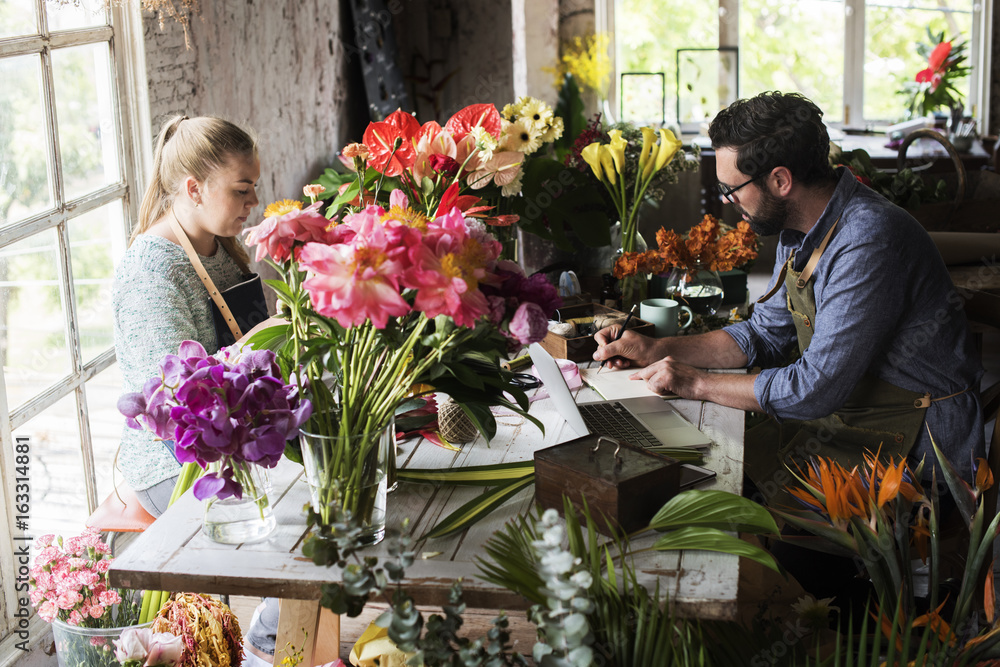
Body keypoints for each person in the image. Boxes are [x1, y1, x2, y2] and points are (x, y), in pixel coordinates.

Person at [593, 91, 984, 504]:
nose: (729, 202)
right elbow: (763, 334)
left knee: (718, 490)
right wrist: (657, 348)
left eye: (733, 189)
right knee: (701, 462)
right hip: (852, 420)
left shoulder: (868, 240)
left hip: (917, 451)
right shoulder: (800, 229)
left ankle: (804, 566)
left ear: (780, 181)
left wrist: (697, 382)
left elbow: (815, 388)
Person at [112, 115, 277, 666]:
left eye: (253, 185)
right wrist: (261, 342)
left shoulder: (219, 247)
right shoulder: (150, 270)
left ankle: (268, 638)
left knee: (335, 472)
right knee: (299, 513)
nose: (254, 200)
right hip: (173, 460)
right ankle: (265, 641)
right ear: (193, 188)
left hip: (233, 436)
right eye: (242, 188)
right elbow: (174, 402)